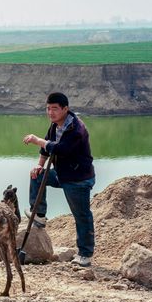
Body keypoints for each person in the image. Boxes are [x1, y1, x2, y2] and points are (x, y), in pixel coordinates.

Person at [23, 92, 96, 267]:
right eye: (48, 109)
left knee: (81, 216)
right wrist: (40, 165)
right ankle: (39, 214)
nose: (50, 112)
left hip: (77, 178)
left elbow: (61, 149)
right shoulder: (55, 125)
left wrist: (37, 140)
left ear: (65, 109)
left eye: (54, 109)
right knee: (37, 175)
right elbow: (47, 147)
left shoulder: (76, 129)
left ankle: (85, 254)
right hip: (63, 173)